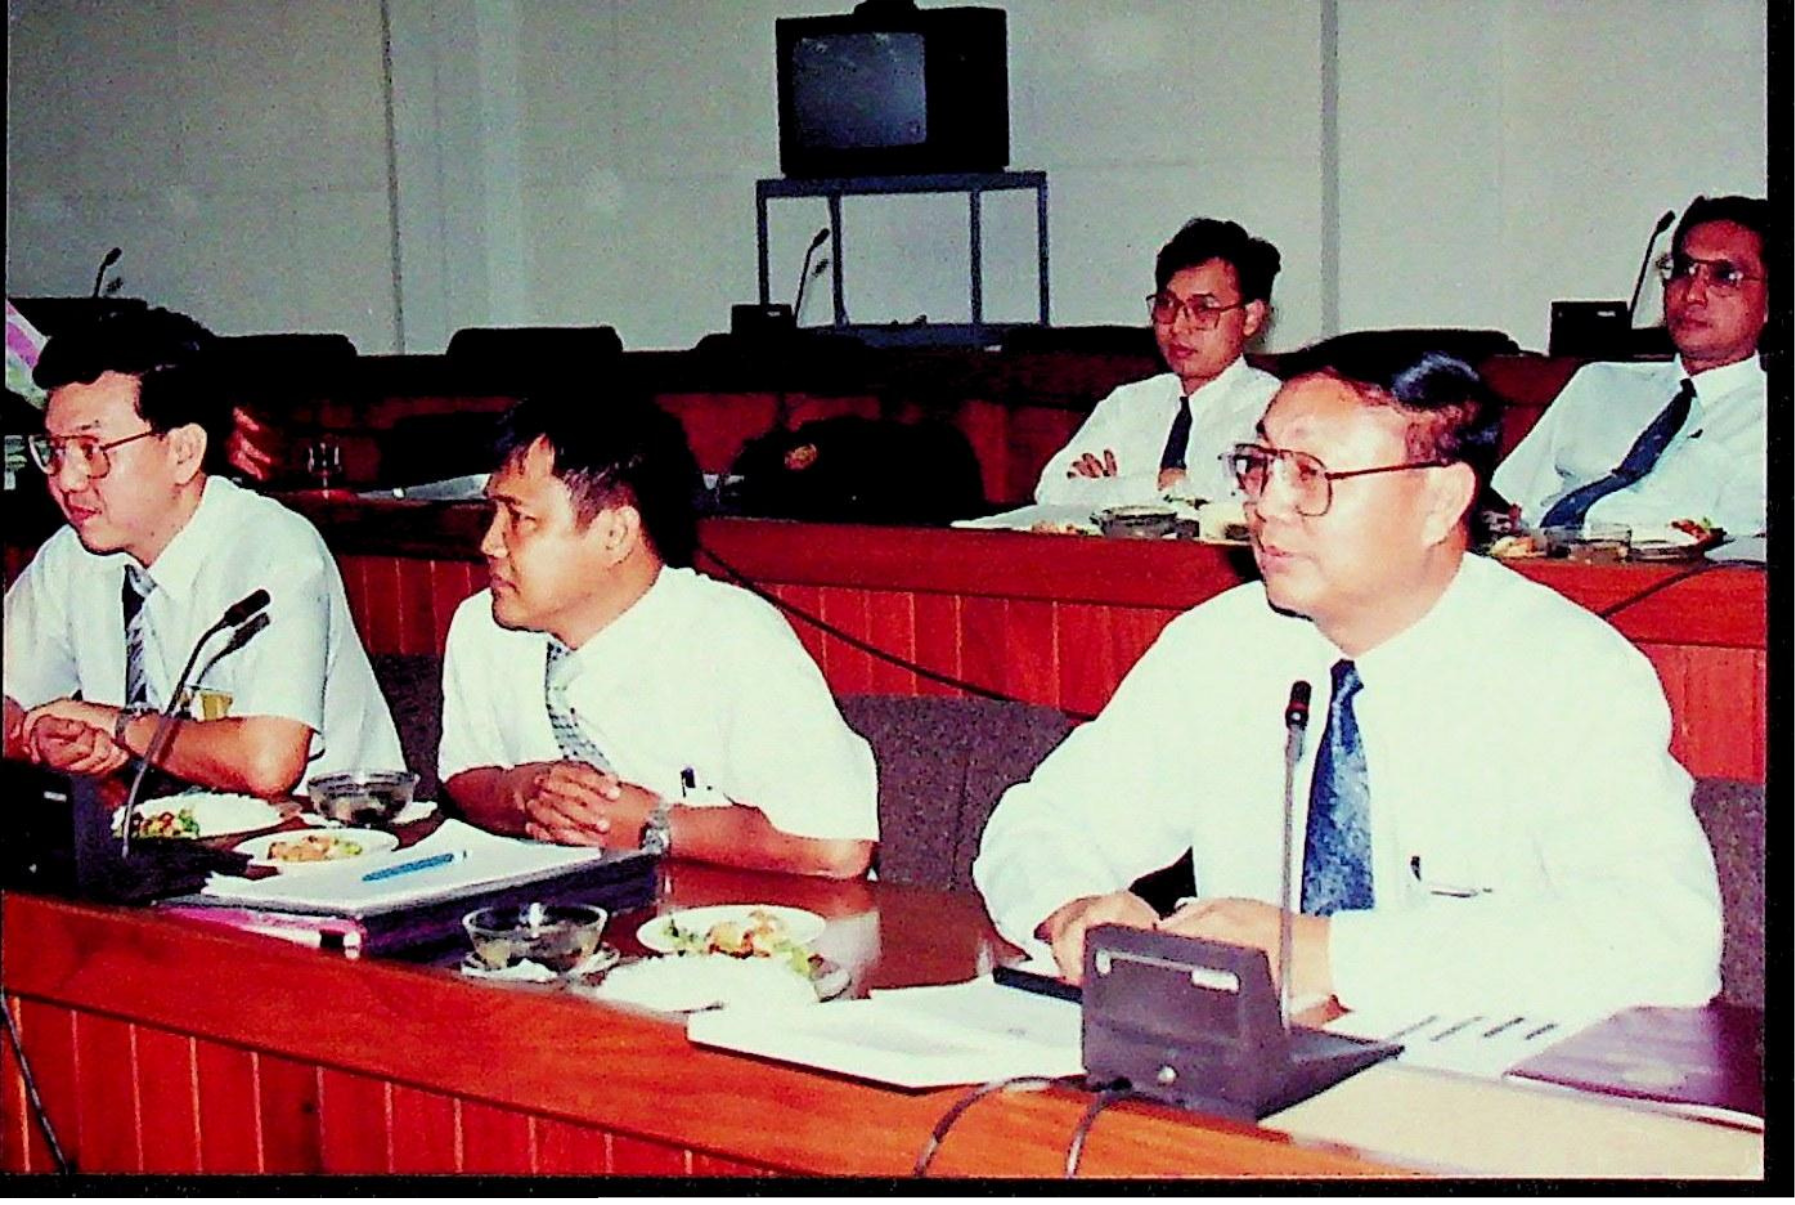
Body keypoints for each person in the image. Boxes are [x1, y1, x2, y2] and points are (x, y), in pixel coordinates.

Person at [975, 350, 1721, 1017]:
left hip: (1482, 1087)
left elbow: (1664, 939)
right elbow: (1042, 822)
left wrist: (1325, 952)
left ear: (1439, 502)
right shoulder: (1222, 644)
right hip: (1246, 1076)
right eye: (1260, 465)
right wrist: (1073, 907)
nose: (1265, 504)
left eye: (1311, 475)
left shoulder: (1564, 671)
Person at [437, 392, 878, 878]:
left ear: (616, 534)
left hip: (746, 916)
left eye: (520, 519)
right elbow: (464, 775)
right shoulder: (484, 626)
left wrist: (653, 825)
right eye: (493, 514)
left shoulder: (733, 638)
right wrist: (523, 793)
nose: (490, 543)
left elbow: (837, 848)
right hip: (568, 912)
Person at [2, 306, 402, 793]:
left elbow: (267, 763)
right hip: (157, 832)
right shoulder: (73, 554)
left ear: (183, 451)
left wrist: (121, 726)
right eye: (55, 450)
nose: (66, 480)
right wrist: (37, 736)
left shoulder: (273, 548)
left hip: (323, 830)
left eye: (91, 449)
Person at [1492, 195, 1768, 537]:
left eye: (1725, 276)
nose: (1692, 294)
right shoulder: (1599, 383)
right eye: (1683, 270)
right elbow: (1513, 507)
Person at [1034, 217, 1282, 509]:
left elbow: (1245, 509)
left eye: (1203, 309)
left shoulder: (1272, 410)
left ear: (1250, 317)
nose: (1177, 326)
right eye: (1166, 304)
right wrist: (1160, 484)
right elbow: (1051, 491)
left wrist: (1112, 490)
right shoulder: (1129, 403)